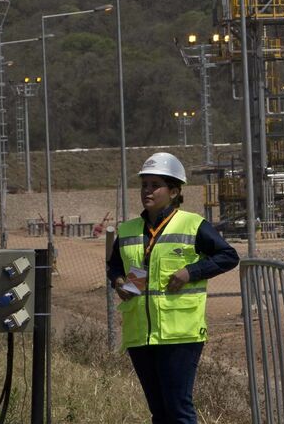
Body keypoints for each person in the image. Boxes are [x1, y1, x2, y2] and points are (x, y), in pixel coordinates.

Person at [107, 152, 239, 424]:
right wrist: (119, 282)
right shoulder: (129, 229)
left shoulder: (192, 224)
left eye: (155, 185)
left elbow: (228, 256)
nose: (147, 191)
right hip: (141, 334)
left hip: (180, 334)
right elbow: (115, 266)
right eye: (144, 184)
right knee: (160, 412)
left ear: (174, 191)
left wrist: (191, 271)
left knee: (178, 409)